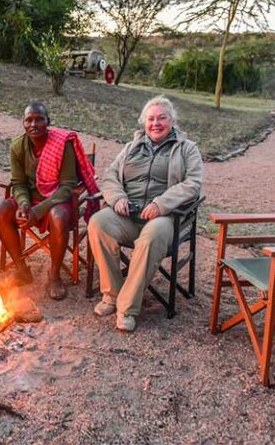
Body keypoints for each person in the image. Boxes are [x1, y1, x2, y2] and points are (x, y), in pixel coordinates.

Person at [87, 95, 204, 332]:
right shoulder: (132, 147)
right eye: (151, 119)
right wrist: (118, 198)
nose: (156, 123)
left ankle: (127, 308)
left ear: (172, 120)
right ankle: (112, 294)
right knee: (98, 222)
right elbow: (109, 175)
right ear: (144, 122)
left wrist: (162, 204)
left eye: (162, 118)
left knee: (151, 237)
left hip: (163, 218)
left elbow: (193, 183)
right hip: (128, 217)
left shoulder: (186, 149)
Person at [0, 102, 99, 300]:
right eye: (29, 120)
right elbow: (18, 183)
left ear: (48, 122)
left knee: (58, 216)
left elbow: (68, 186)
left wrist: (39, 210)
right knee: (2, 209)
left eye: (39, 119)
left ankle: (54, 275)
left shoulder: (63, 144)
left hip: (58, 199)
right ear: (23, 123)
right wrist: (24, 204)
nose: (34, 124)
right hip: (32, 200)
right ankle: (21, 268)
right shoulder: (18, 146)